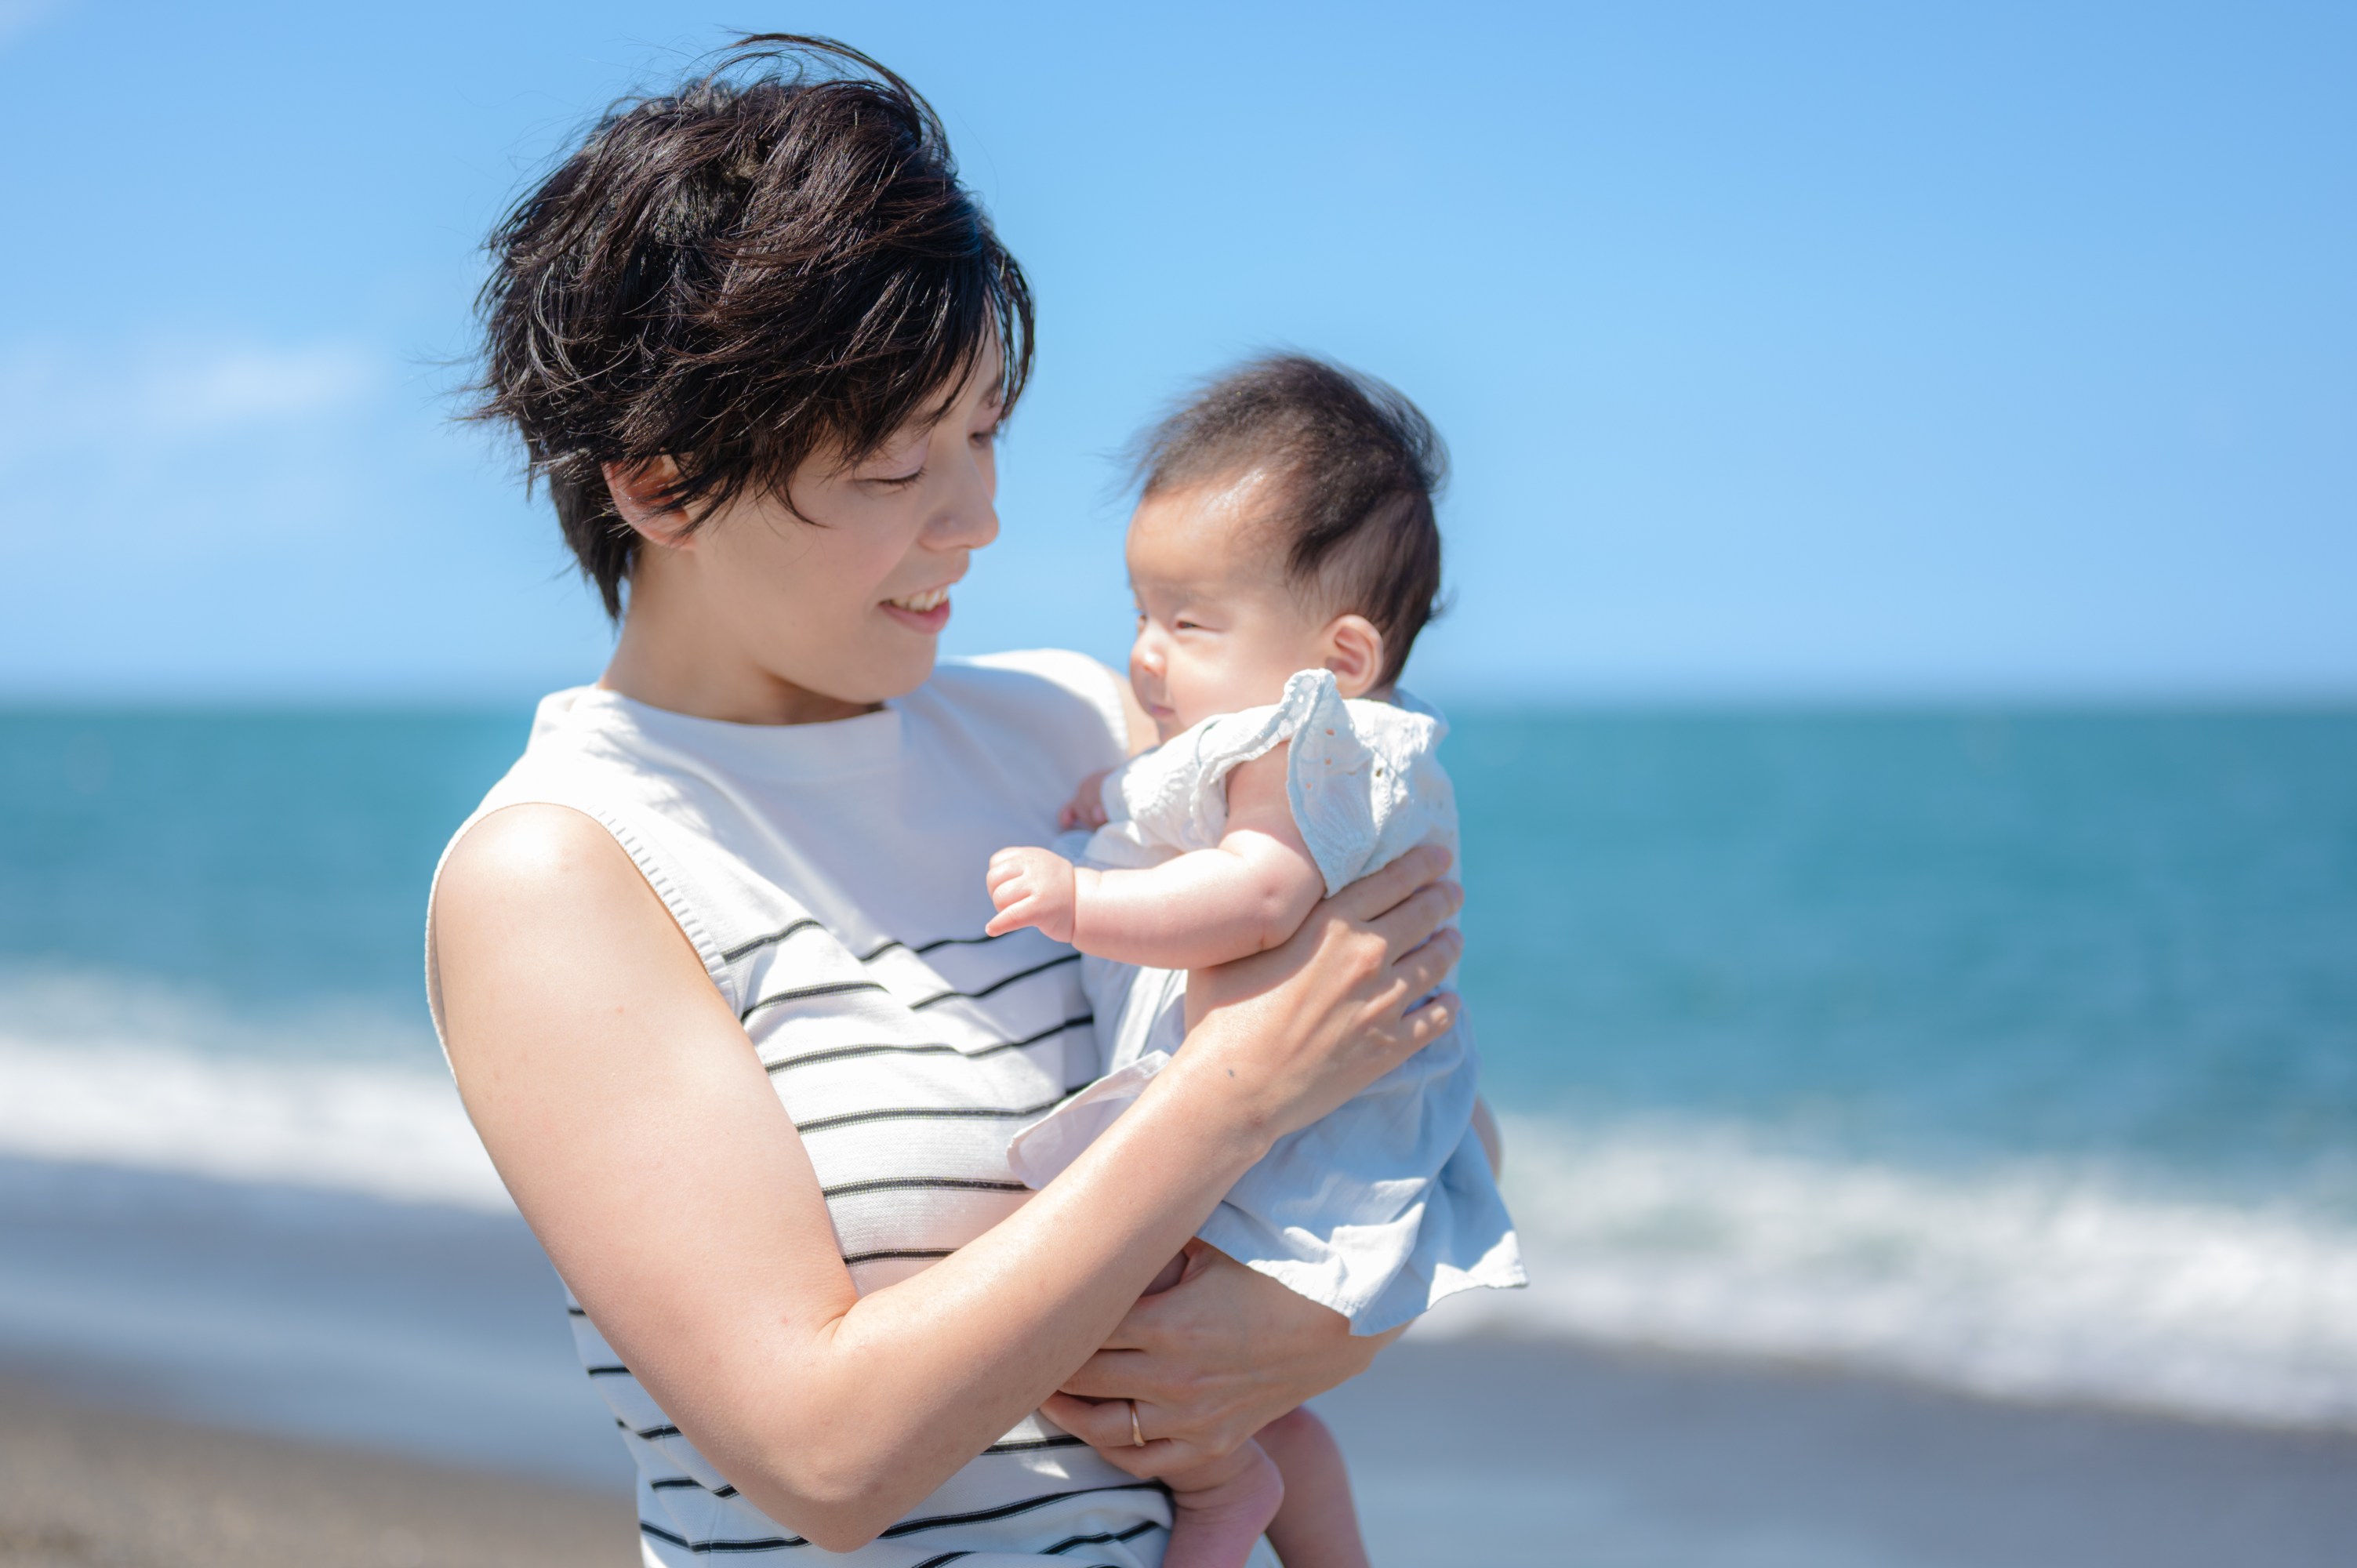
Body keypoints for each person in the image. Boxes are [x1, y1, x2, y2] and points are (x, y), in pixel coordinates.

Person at [426, 35, 1464, 1568]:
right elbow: (822, 1453)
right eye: (899, 465)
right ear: (658, 486)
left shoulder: (1085, 725)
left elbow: (1417, 1095)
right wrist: (1226, 1095)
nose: (977, 519)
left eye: (981, 433)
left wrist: (1292, 1341)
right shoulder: (565, 868)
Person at [986, 357, 1524, 1568]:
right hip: (1298, 1116)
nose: (1144, 657)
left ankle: (1230, 1493)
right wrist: (1122, 793)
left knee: (1113, 1322)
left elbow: (1255, 891)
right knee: (1240, 1391)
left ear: (1337, 657)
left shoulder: (1319, 746)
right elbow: (1210, 820)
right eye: (1137, 612)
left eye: (1186, 622)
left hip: (1291, 1139)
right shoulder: (1269, 739)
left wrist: (1084, 895)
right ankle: (1260, 1504)